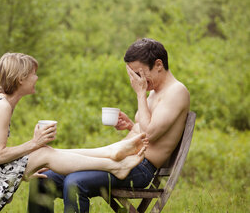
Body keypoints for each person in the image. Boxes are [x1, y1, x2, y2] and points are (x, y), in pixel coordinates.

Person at [0, 52, 149, 213]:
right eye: (33, 74)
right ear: (20, 79)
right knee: (43, 152)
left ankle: (113, 156)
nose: (36, 78)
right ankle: (115, 165)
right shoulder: (1, 107)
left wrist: (25, 166)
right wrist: (34, 143)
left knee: (44, 153)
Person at [27, 38, 190, 213]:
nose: (137, 80)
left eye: (139, 74)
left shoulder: (176, 92)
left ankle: (51, 156)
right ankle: (50, 157)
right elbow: (147, 129)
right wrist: (131, 126)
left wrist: (140, 94)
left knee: (75, 182)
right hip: (120, 156)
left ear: (158, 65)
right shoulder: (154, 91)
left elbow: (150, 135)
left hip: (140, 167)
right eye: (133, 75)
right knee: (42, 179)